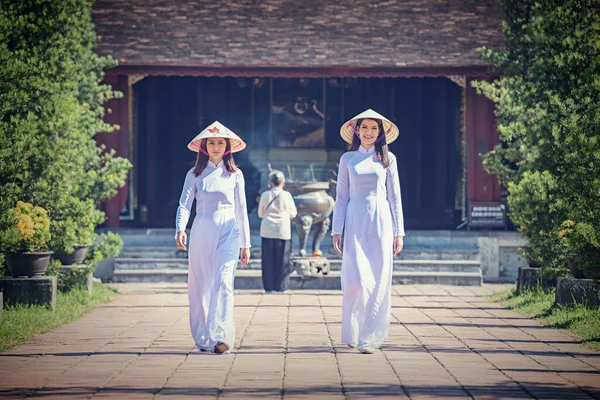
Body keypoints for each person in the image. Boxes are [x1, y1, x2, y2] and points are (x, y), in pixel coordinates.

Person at [331, 109, 405, 354]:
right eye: (365, 128)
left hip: (381, 221)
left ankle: (370, 337)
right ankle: (353, 329)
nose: (369, 133)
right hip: (354, 220)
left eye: (374, 128)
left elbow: (395, 197)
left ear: (381, 132)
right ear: (356, 130)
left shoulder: (388, 159)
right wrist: (336, 228)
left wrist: (399, 232)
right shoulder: (347, 159)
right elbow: (341, 196)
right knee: (357, 279)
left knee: (379, 278)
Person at [175, 121, 251, 354]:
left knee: (224, 281)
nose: (216, 146)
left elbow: (241, 209)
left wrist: (246, 243)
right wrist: (180, 228)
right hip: (201, 231)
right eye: (211, 142)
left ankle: (221, 335)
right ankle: (203, 337)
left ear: (227, 146)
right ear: (204, 146)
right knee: (200, 284)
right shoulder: (195, 174)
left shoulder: (235, 175)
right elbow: (185, 205)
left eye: (220, 142)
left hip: (229, 231)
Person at [258, 170, 297, 293]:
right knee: (283, 259)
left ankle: (269, 287)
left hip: (267, 229)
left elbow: (260, 213)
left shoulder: (265, 195)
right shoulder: (287, 195)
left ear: (270, 182)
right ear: (283, 182)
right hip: (282, 230)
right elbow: (293, 213)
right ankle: (282, 286)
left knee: (268, 259)